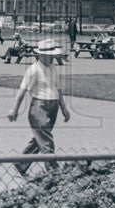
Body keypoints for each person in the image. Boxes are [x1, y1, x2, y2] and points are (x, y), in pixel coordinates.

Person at [7, 39, 69, 176]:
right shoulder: (33, 70)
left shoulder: (54, 69)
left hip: (53, 106)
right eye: (49, 55)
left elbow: (58, 90)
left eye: (53, 55)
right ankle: (54, 171)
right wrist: (14, 110)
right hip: (39, 107)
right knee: (46, 141)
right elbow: (22, 91)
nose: (52, 57)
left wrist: (64, 109)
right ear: (40, 55)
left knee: (40, 138)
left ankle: (20, 164)